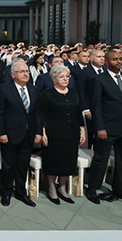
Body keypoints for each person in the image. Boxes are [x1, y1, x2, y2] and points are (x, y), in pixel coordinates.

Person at [87, 50, 122, 205]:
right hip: (107, 127)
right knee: (101, 159)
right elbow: (96, 106)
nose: (119, 62)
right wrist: (100, 127)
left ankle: (119, 189)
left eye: (121, 59)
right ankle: (93, 189)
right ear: (106, 61)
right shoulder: (99, 80)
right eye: (115, 59)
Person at [0, 61, 42, 207]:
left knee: (23, 165)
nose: (26, 73)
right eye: (22, 71)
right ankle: (7, 192)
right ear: (13, 74)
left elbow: (38, 113)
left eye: (27, 71)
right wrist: (1, 133)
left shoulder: (33, 90)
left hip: (28, 134)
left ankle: (21, 192)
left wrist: (39, 132)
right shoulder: (3, 90)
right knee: (8, 165)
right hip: (9, 134)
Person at [37, 65, 85, 204]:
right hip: (53, 134)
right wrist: (43, 133)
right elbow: (42, 115)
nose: (65, 79)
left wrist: (82, 130)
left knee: (68, 162)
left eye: (67, 76)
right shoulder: (47, 94)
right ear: (53, 79)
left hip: (72, 133)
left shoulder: (74, 93)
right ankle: (51, 188)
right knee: (54, 161)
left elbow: (78, 113)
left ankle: (62, 188)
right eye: (61, 77)